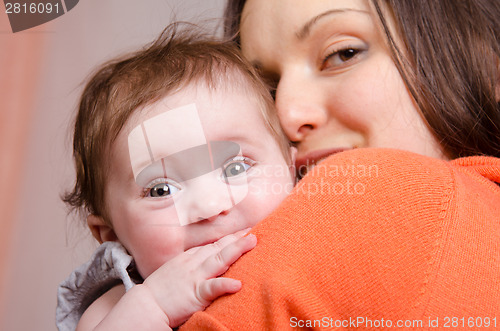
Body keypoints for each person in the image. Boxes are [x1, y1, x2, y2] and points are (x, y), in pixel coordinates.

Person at [179, 0, 500, 329]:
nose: (286, 114)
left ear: (491, 67)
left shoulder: (378, 195)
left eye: (342, 54)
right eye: (267, 88)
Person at [56, 24, 295, 331]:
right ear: (111, 235)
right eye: (161, 189)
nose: (209, 205)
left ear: (291, 172)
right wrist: (155, 306)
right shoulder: (116, 308)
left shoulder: (316, 238)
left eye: (236, 168)